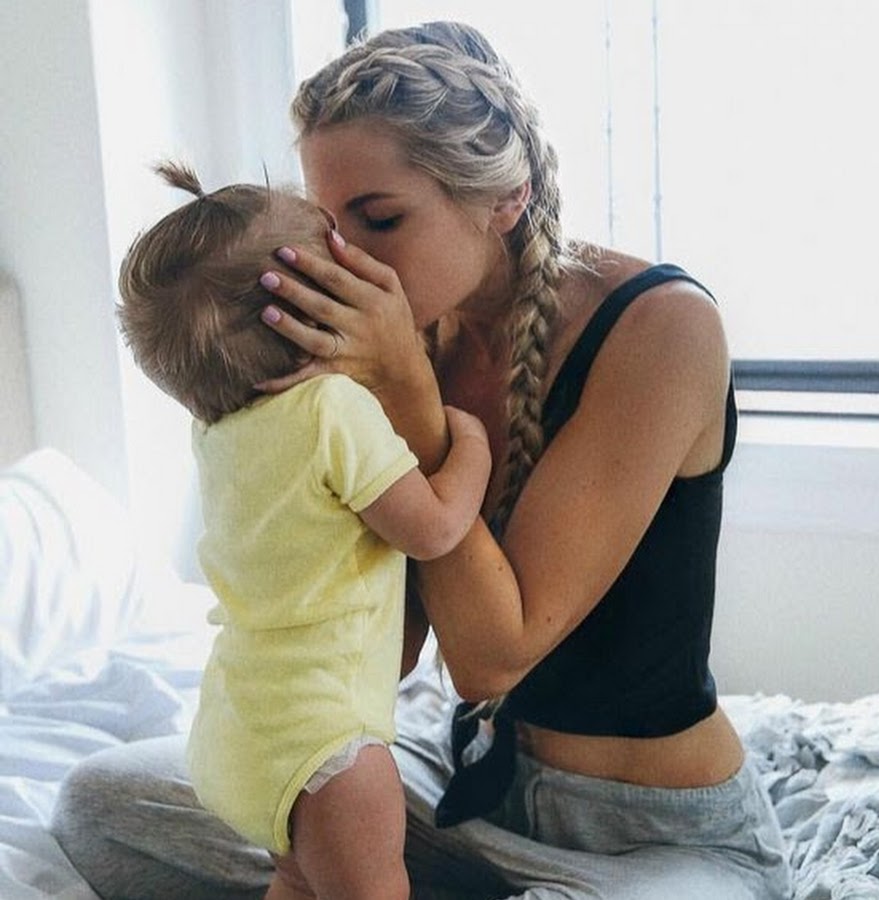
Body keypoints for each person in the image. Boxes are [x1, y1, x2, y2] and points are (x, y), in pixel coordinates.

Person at [52, 20, 792, 900]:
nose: (348, 260)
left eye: (381, 219)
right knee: (104, 801)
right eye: (327, 226)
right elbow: (395, 649)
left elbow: (490, 658)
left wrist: (410, 399)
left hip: (653, 840)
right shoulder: (393, 339)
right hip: (462, 789)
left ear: (505, 198)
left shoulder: (662, 327)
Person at [113, 160, 492, 900]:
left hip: (242, 732)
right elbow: (434, 529)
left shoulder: (215, 432)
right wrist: (469, 441)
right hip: (329, 744)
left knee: (297, 877)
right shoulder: (331, 412)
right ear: (310, 308)